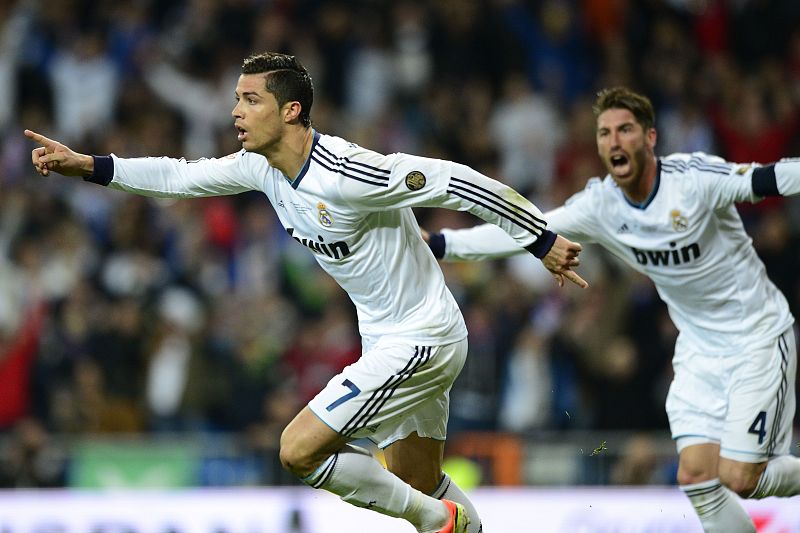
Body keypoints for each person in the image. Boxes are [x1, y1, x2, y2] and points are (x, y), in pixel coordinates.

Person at [24, 52, 588, 533]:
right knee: (417, 482)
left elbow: (460, 181)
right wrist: (90, 166)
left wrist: (539, 240)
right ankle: (448, 520)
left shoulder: (347, 173)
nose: (235, 112)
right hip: (391, 340)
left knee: (298, 450)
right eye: (236, 99)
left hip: (422, 338)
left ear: (291, 110)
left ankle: (436, 522)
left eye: (250, 100)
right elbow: (179, 177)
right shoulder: (262, 169)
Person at [425, 86, 800, 533]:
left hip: (757, 337)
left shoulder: (694, 180)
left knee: (742, 478)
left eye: (625, 130)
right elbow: (526, 231)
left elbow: (769, 179)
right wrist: (444, 245)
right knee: (697, 476)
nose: (614, 141)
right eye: (605, 133)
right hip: (700, 350)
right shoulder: (601, 206)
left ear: (651, 138)